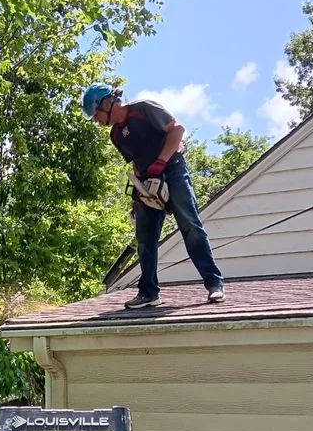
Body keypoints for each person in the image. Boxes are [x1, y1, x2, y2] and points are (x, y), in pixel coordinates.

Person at [82, 82, 225, 309]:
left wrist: (161, 161)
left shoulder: (144, 108)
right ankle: (148, 293)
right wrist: (138, 193)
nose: (97, 120)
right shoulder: (116, 136)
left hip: (173, 170)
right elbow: (137, 164)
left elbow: (176, 130)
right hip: (148, 182)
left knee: (190, 224)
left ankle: (214, 284)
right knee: (144, 237)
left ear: (108, 103)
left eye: (97, 114)